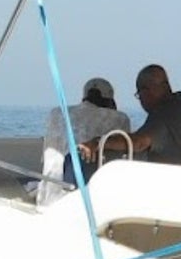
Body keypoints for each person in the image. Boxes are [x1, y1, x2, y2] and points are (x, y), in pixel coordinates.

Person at [78, 64, 181, 169]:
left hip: (176, 191)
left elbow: (138, 143)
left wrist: (98, 143)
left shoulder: (164, 114)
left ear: (146, 92)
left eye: (139, 95)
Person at [36, 77, 131, 206]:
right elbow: (124, 155)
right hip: (86, 202)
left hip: (46, 197)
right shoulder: (119, 118)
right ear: (110, 100)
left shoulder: (56, 113)